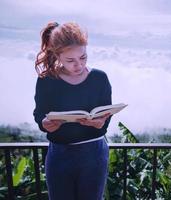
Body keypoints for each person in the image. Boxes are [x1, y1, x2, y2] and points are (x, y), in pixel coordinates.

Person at [33, 22, 111, 200]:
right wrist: (44, 124)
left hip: (94, 153)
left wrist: (100, 122)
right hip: (59, 154)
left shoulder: (99, 78)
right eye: (70, 60)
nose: (79, 65)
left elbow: (105, 116)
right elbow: (39, 113)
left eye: (83, 57)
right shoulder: (47, 80)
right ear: (57, 55)